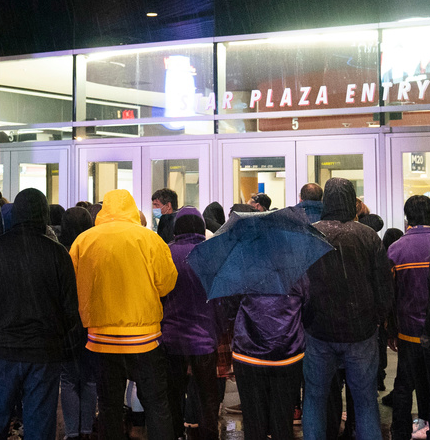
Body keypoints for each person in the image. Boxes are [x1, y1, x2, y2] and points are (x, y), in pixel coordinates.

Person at [70, 188, 178, 440]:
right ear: (131, 208)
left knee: (108, 405)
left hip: (100, 339)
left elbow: (72, 285)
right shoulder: (149, 239)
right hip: (144, 339)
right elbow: (166, 283)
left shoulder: (83, 241)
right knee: (157, 404)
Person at [0, 188, 80, 440]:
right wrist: (68, 348)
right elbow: (70, 308)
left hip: (2, 349)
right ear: (43, 213)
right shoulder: (57, 253)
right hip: (44, 352)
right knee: (40, 423)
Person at [301, 177, 392, 440]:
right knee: (365, 401)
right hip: (361, 331)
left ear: (326, 201)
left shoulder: (311, 233)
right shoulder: (367, 235)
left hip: (318, 331)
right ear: (352, 201)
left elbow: (300, 286)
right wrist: (378, 320)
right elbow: (383, 286)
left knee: (315, 399)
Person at [161, 209, 221, 440]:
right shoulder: (210, 254)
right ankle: (209, 434)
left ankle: (175, 433)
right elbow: (221, 298)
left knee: (173, 394)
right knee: (207, 395)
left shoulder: (166, 252)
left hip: (171, 337)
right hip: (205, 337)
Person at [229, 275, 307, 440]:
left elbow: (229, 309)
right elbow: (308, 307)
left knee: (254, 423)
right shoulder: (297, 272)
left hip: (249, 355)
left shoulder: (243, 271)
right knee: (282, 422)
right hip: (287, 355)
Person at [386, 195, 430, 440]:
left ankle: (400, 431)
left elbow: (389, 296)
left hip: (408, 332)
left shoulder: (396, 249)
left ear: (407, 217)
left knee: (404, 385)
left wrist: (391, 330)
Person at [56, 206, 94, 440]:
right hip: (93, 323)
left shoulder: (60, 253)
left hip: (66, 324)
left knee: (68, 379)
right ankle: (87, 429)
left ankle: (72, 432)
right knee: (89, 379)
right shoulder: (95, 250)